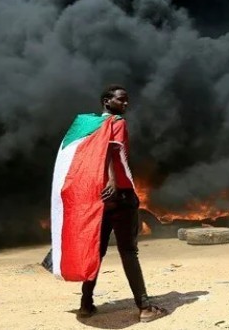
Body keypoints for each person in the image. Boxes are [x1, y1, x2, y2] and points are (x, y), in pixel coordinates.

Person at [49, 85, 167, 323]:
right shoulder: (117, 123)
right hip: (120, 195)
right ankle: (144, 308)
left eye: (126, 100)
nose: (125, 104)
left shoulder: (87, 127)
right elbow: (112, 150)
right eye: (121, 100)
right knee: (129, 251)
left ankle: (86, 304)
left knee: (95, 250)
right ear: (106, 101)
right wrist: (113, 180)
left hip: (97, 199)